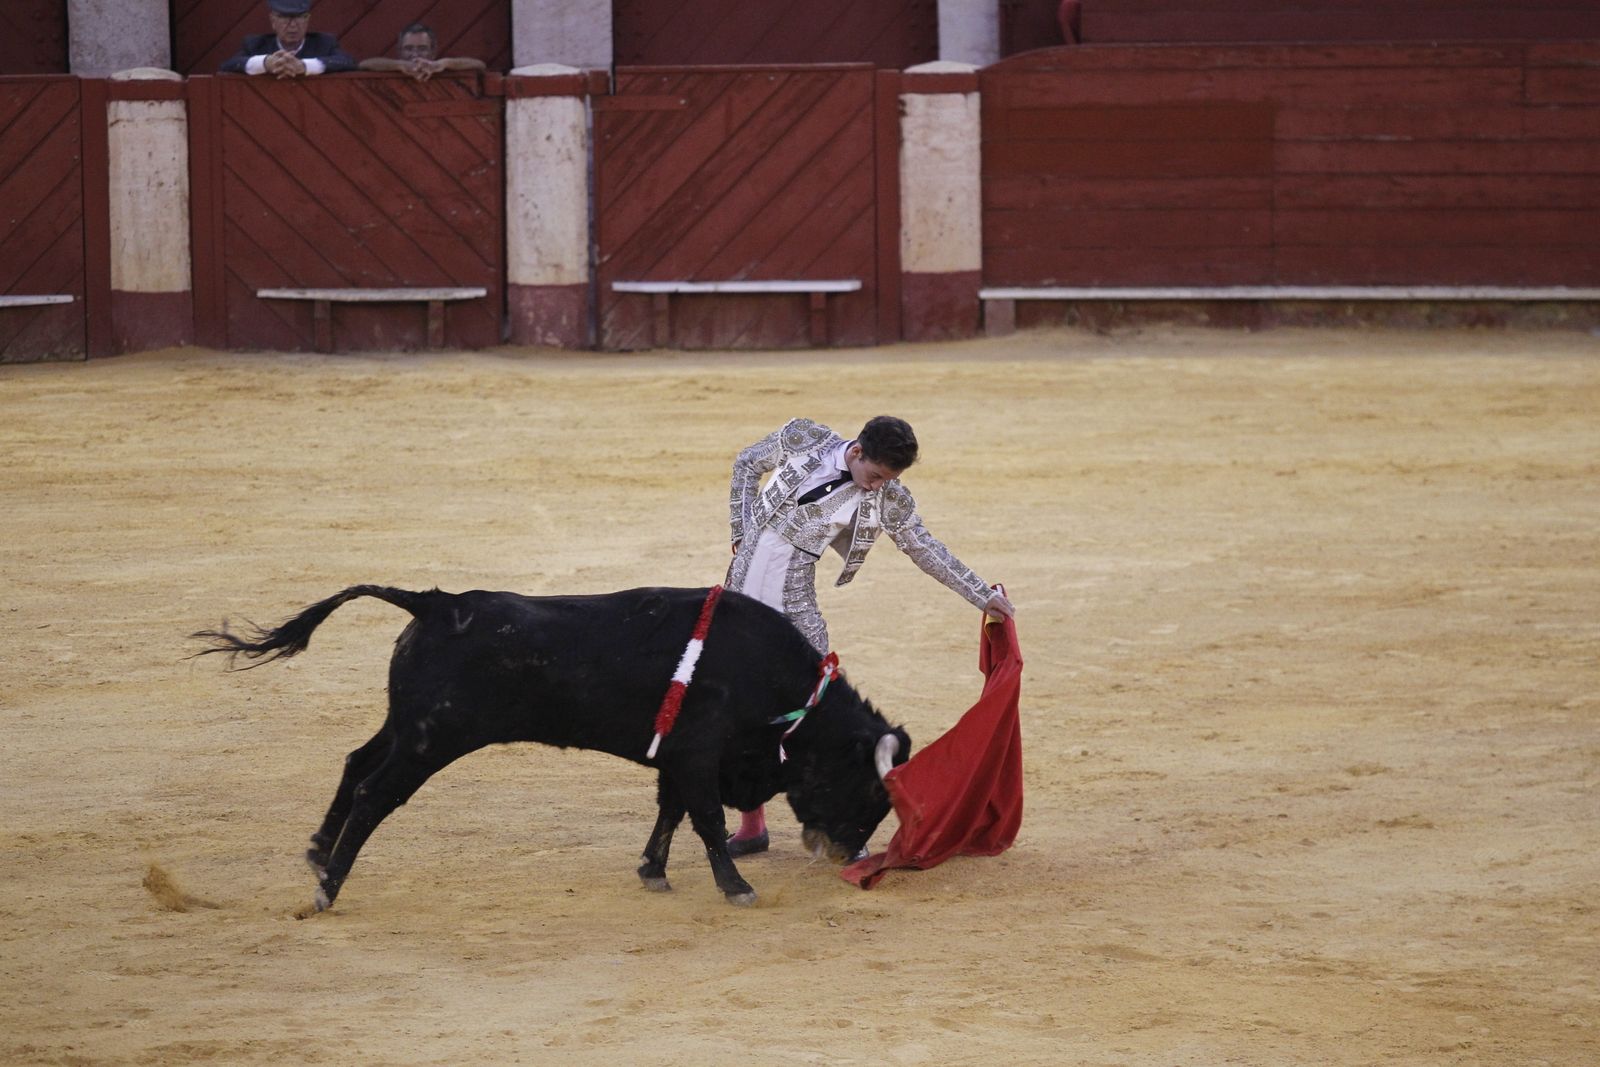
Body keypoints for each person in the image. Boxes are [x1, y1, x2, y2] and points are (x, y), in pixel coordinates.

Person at [723, 415, 1016, 857]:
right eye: (876, 476)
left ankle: (836, 826)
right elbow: (747, 463)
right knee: (737, 712)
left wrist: (980, 594)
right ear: (857, 451)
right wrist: (741, 530)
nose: (878, 487)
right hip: (737, 597)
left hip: (794, 609)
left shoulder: (887, 499)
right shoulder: (803, 438)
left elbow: (924, 547)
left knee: (814, 720)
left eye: (888, 480)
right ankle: (752, 825)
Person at [220, 0, 355, 78]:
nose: (293, 25)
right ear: (273, 21)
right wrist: (266, 63)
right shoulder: (255, 45)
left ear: (307, 20)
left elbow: (348, 63)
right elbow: (227, 66)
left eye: (299, 17)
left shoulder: (324, 43)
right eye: (285, 17)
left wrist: (304, 66)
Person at [359, 23, 486, 81]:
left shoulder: (440, 66)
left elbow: (479, 65)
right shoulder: (396, 65)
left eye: (422, 48)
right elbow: (365, 64)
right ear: (399, 50)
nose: (415, 54)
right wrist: (400, 65)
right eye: (409, 48)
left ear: (433, 51)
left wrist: (444, 64)